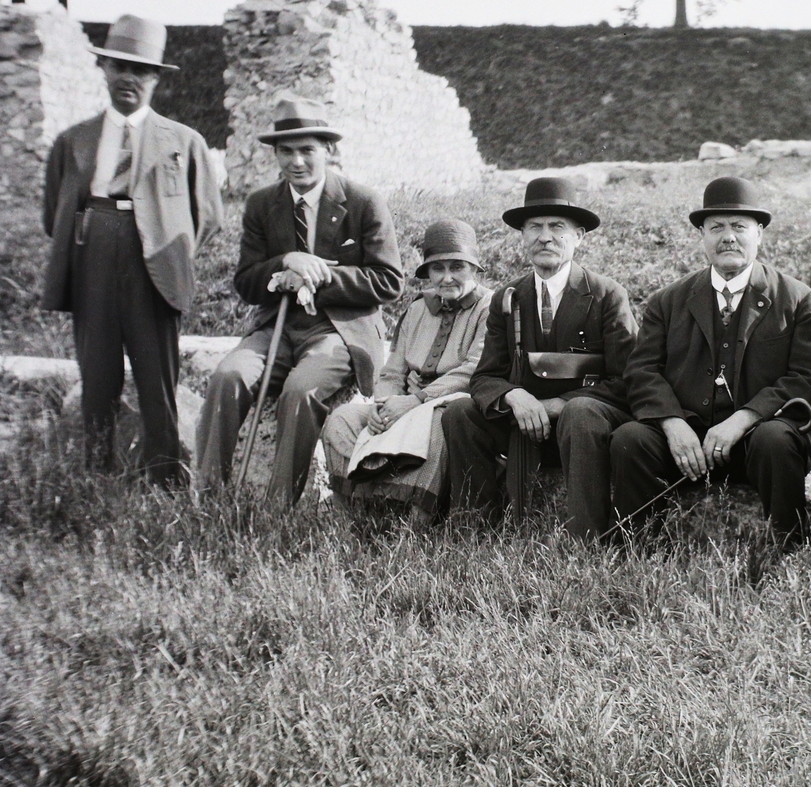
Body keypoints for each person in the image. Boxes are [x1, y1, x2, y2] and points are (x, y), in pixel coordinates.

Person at [194, 95, 403, 505]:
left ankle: (280, 506)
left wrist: (317, 277)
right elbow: (246, 281)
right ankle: (206, 496)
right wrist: (285, 263)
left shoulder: (362, 202)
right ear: (275, 155)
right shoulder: (260, 204)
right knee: (227, 378)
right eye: (286, 151)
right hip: (277, 326)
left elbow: (388, 280)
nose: (297, 161)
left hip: (339, 331)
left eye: (308, 150)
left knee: (301, 390)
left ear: (329, 150)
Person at [42, 14, 223, 483]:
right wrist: (95, 239)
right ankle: (98, 470)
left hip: (156, 262)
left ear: (156, 77)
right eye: (119, 66)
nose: (128, 78)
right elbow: (53, 212)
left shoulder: (183, 141)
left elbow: (208, 215)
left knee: (157, 376)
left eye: (140, 70)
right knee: (97, 372)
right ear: (102, 68)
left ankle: (164, 475)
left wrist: (166, 248)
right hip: (94, 255)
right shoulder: (73, 140)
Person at [610, 177, 811, 547]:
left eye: (739, 227)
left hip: (760, 441)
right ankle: (639, 548)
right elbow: (642, 370)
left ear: (759, 234)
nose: (728, 237)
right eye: (716, 228)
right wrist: (672, 423)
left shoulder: (799, 300)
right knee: (630, 439)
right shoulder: (667, 301)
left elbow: (808, 379)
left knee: (776, 439)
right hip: (690, 443)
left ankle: (790, 547)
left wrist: (743, 420)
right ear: (702, 236)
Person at [442, 177, 637, 536]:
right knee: (460, 413)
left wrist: (560, 404)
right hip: (523, 425)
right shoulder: (508, 296)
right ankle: (473, 529)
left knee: (580, 412)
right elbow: (484, 377)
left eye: (557, 227)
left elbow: (627, 380)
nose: (544, 237)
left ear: (579, 236)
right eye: (534, 227)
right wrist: (513, 396)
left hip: (585, 427)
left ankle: (586, 540)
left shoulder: (608, 295)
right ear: (522, 236)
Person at [320, 219, 493, 518]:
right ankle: (354, 516)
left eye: (457, 267)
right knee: (342, 419)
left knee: (438, 424)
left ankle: (414, 525)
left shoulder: (490, 308)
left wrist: (415, 402)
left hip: (449, 403)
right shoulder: (417, 308)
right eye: (438, 269)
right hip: (403, 404)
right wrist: (385, 404)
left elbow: (474, 370)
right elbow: (393, 369)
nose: (447, 278)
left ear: (475, 269)